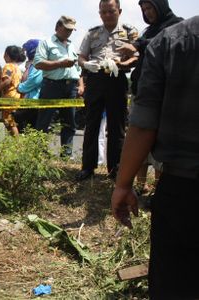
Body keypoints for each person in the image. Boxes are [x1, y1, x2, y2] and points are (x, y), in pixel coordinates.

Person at [111, 16, 199, 299]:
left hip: (183, 192)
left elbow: (144, 122)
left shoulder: (172, 41)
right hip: (180, 187)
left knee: (174, 285)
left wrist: (123, 184)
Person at [118, 0, 182, 193]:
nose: (147, 12)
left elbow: (164, 42)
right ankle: (140, 185)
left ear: (161, 6)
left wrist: (137, 44)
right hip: (141, 92)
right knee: (139, 141)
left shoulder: (177, 26)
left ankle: (158, 189)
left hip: (162, 96)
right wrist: (125, 64)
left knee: (160, 143)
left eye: (150, 8)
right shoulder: (148, 30)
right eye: (144, 9)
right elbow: (142, 56)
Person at [76, 0, 139, 181]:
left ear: (119, 11)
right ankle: (87, 167)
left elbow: (137, 56)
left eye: (111, 11)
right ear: (99, 13)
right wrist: (86, 64)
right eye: (103, 12)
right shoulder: (92, 32)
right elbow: (81, 57)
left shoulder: (129, 31)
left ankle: (115, 168)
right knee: (92, 123)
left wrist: (122, 64)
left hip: (117, 78)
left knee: (116, 125)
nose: (107, 15)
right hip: (95, 79)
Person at [34, 16, 83, 158]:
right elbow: (38, 63)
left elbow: (77, 69)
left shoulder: (72, 45)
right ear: (57, 27)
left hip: (71, 87)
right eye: (66, 29)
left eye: (71, 30)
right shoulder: (46, 43)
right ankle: (38, 153)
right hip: (52, 85)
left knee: (69, 122)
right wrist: (61, 63)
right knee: (45, 120)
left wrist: (80, 85)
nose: (69, 32)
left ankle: (66, 154)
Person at [0, 45, 26, 136]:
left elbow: (7, 80)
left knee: (9, 122)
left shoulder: (8, 66)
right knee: (12, 122)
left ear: (7, 55)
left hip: (9, 97)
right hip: (17, 96)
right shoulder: (18, 67)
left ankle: (16, 145)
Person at [17, 39, 42, 132]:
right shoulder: (33, 63)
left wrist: (20, 87)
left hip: (35, 102)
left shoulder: (38, 63)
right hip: (31, 101)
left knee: (29, 130)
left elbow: (33, 81)